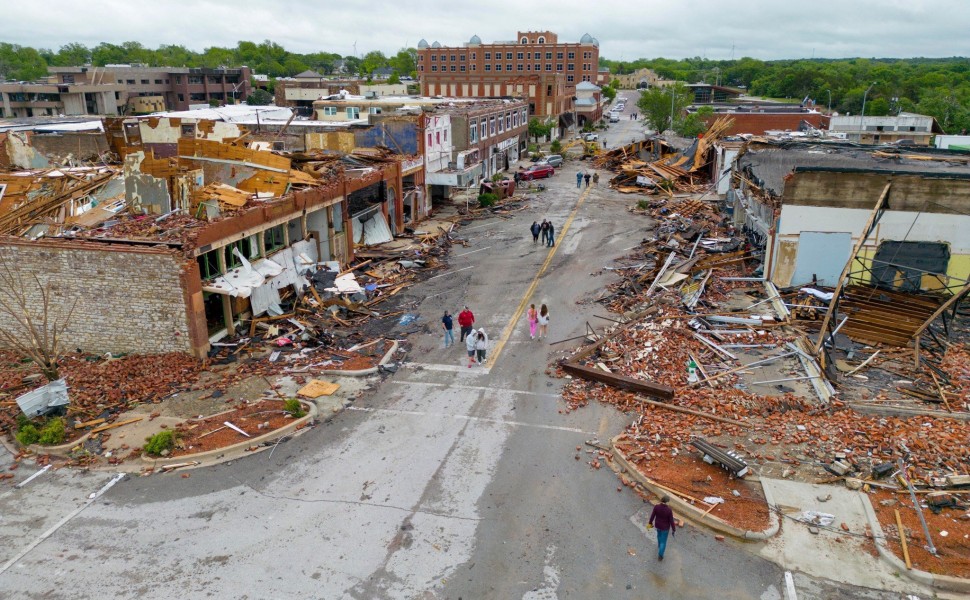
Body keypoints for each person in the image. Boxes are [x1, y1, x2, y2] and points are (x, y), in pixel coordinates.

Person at [648, 495, 677, 561]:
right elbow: (671, 521)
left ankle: (659, 546)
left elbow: (652, 516)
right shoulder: (669, 510)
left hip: (658, 525)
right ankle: (660, 555)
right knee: (663, 542)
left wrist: (650, 523)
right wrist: (674, 529)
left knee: (658, 535)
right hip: (665, 528)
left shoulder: (656, 507)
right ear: (667, 502)